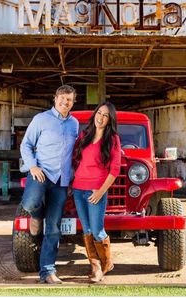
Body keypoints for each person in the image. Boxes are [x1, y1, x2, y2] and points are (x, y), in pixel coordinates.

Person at [20, 85, 79, 284]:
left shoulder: (74, 124)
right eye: (62, 98)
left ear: (73, 102)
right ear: (55, 99)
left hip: (61, 180)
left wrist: (73, 178)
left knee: (53, 227)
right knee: (29, 204)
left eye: (69, 100)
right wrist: (33, 167)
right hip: (41, 173)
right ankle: (36, 216)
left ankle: (48, 271)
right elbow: (26, 144)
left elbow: (74, 152)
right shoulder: (41, 119)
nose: (65, 103)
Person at [72, 101, 121, 283]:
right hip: (78, 189)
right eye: (99, 113)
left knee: (98, 231)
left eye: (105, 115)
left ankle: (106, 263)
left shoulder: (113, 139)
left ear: (110, 120)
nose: (100, 117)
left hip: (96, 191)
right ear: (95, 115)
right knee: (86, 231)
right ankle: (96, 268)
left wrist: (100, 192)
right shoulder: (84, 135)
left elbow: (114, 170)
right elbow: (74, 158)